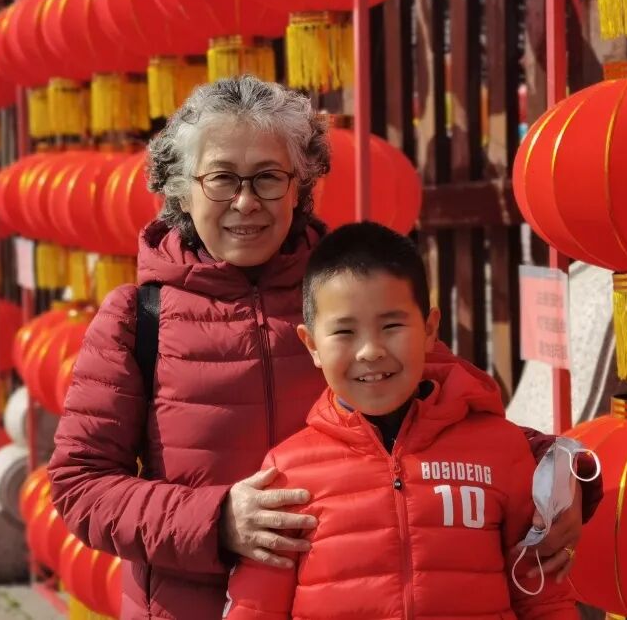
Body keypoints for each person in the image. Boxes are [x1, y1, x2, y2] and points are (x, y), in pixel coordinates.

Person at [49, 76, 600, 620]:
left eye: (268, 177)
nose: (245, 202)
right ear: (180, 188)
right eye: (221, 178)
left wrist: (561, 472)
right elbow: (80, 485)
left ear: (299, 186)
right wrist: (216, 519)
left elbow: (453, 412)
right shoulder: (136, 319)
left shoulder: (351, 296)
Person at [224, 223, 579, 619]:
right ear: (312, 345)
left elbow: (543, 597)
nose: (371, 351)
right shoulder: (286, 471)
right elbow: (255, 607)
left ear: (429, 329)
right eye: (344, 331)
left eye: (391, 326)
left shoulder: (502, 450)